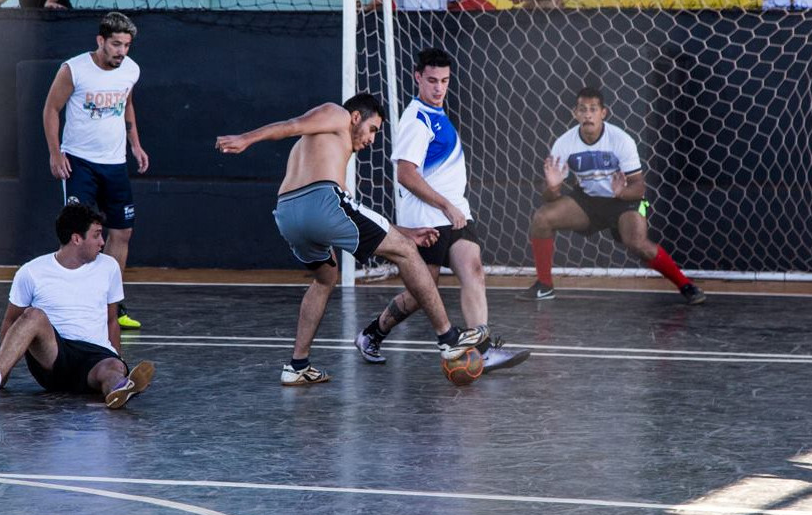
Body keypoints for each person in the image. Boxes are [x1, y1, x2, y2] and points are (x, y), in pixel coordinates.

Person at [215, 93, 488, 386]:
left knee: (325, 278)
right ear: (356, 117)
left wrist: (406, 232)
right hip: (321, 202)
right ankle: (449, 339)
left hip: (288, 214)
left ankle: (298, 365)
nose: (371, 139)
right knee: (407, 252)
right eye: (372, 129)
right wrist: (246, 139)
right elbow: (292, 125)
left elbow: (352, 212)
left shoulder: (321, 152)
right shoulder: (338, 114)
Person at [355, 48, 529, 372]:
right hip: (428, 218)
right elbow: (405, 174)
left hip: (455, 214)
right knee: (423, 292)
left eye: (444, 81)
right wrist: (445, 204)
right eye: (432, 80)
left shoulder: (437, 112)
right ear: (418, 78)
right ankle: (372, 333)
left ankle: (484, 350)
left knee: (473, 269)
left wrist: (453, 206)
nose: (439, 88)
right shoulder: (416, 120)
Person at [520, 86, 705, 305]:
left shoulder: (621, 140)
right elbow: (548, 197)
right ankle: (544, 286)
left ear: (603, 113)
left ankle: (686, 285)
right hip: (588, 201)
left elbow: (639, 188)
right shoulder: (564, 143)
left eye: (593, 109)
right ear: (575, 113)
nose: (588, 115)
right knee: (542, 218)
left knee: (638, 243)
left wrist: (621, 192)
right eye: (582, 109)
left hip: (624, 202)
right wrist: (552, 187)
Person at [0, 203, 154, 409]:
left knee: (112, 368)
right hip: (54, 354)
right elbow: (11, 321)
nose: (102, 242)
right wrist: (4, 374)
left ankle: (120, 388)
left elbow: (112, 320)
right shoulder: (31, 271)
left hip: (96, 356)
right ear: (76, 239)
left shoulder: (109, 267)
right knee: (33, 315)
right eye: (96, 235)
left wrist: (118, 360)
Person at [42, 12, 149, 329]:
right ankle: (72, 302)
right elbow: (51, 109)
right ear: (101, 40)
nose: (121, 51)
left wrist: (135, 144)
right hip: (80, 163)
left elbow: (127, 104)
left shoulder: (130, 70)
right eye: (116, 44)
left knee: (122, 232)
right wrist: (55, 153)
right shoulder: (74, 69)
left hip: (115, 163)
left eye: (126, 45)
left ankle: (111, 305)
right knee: (78, 233)